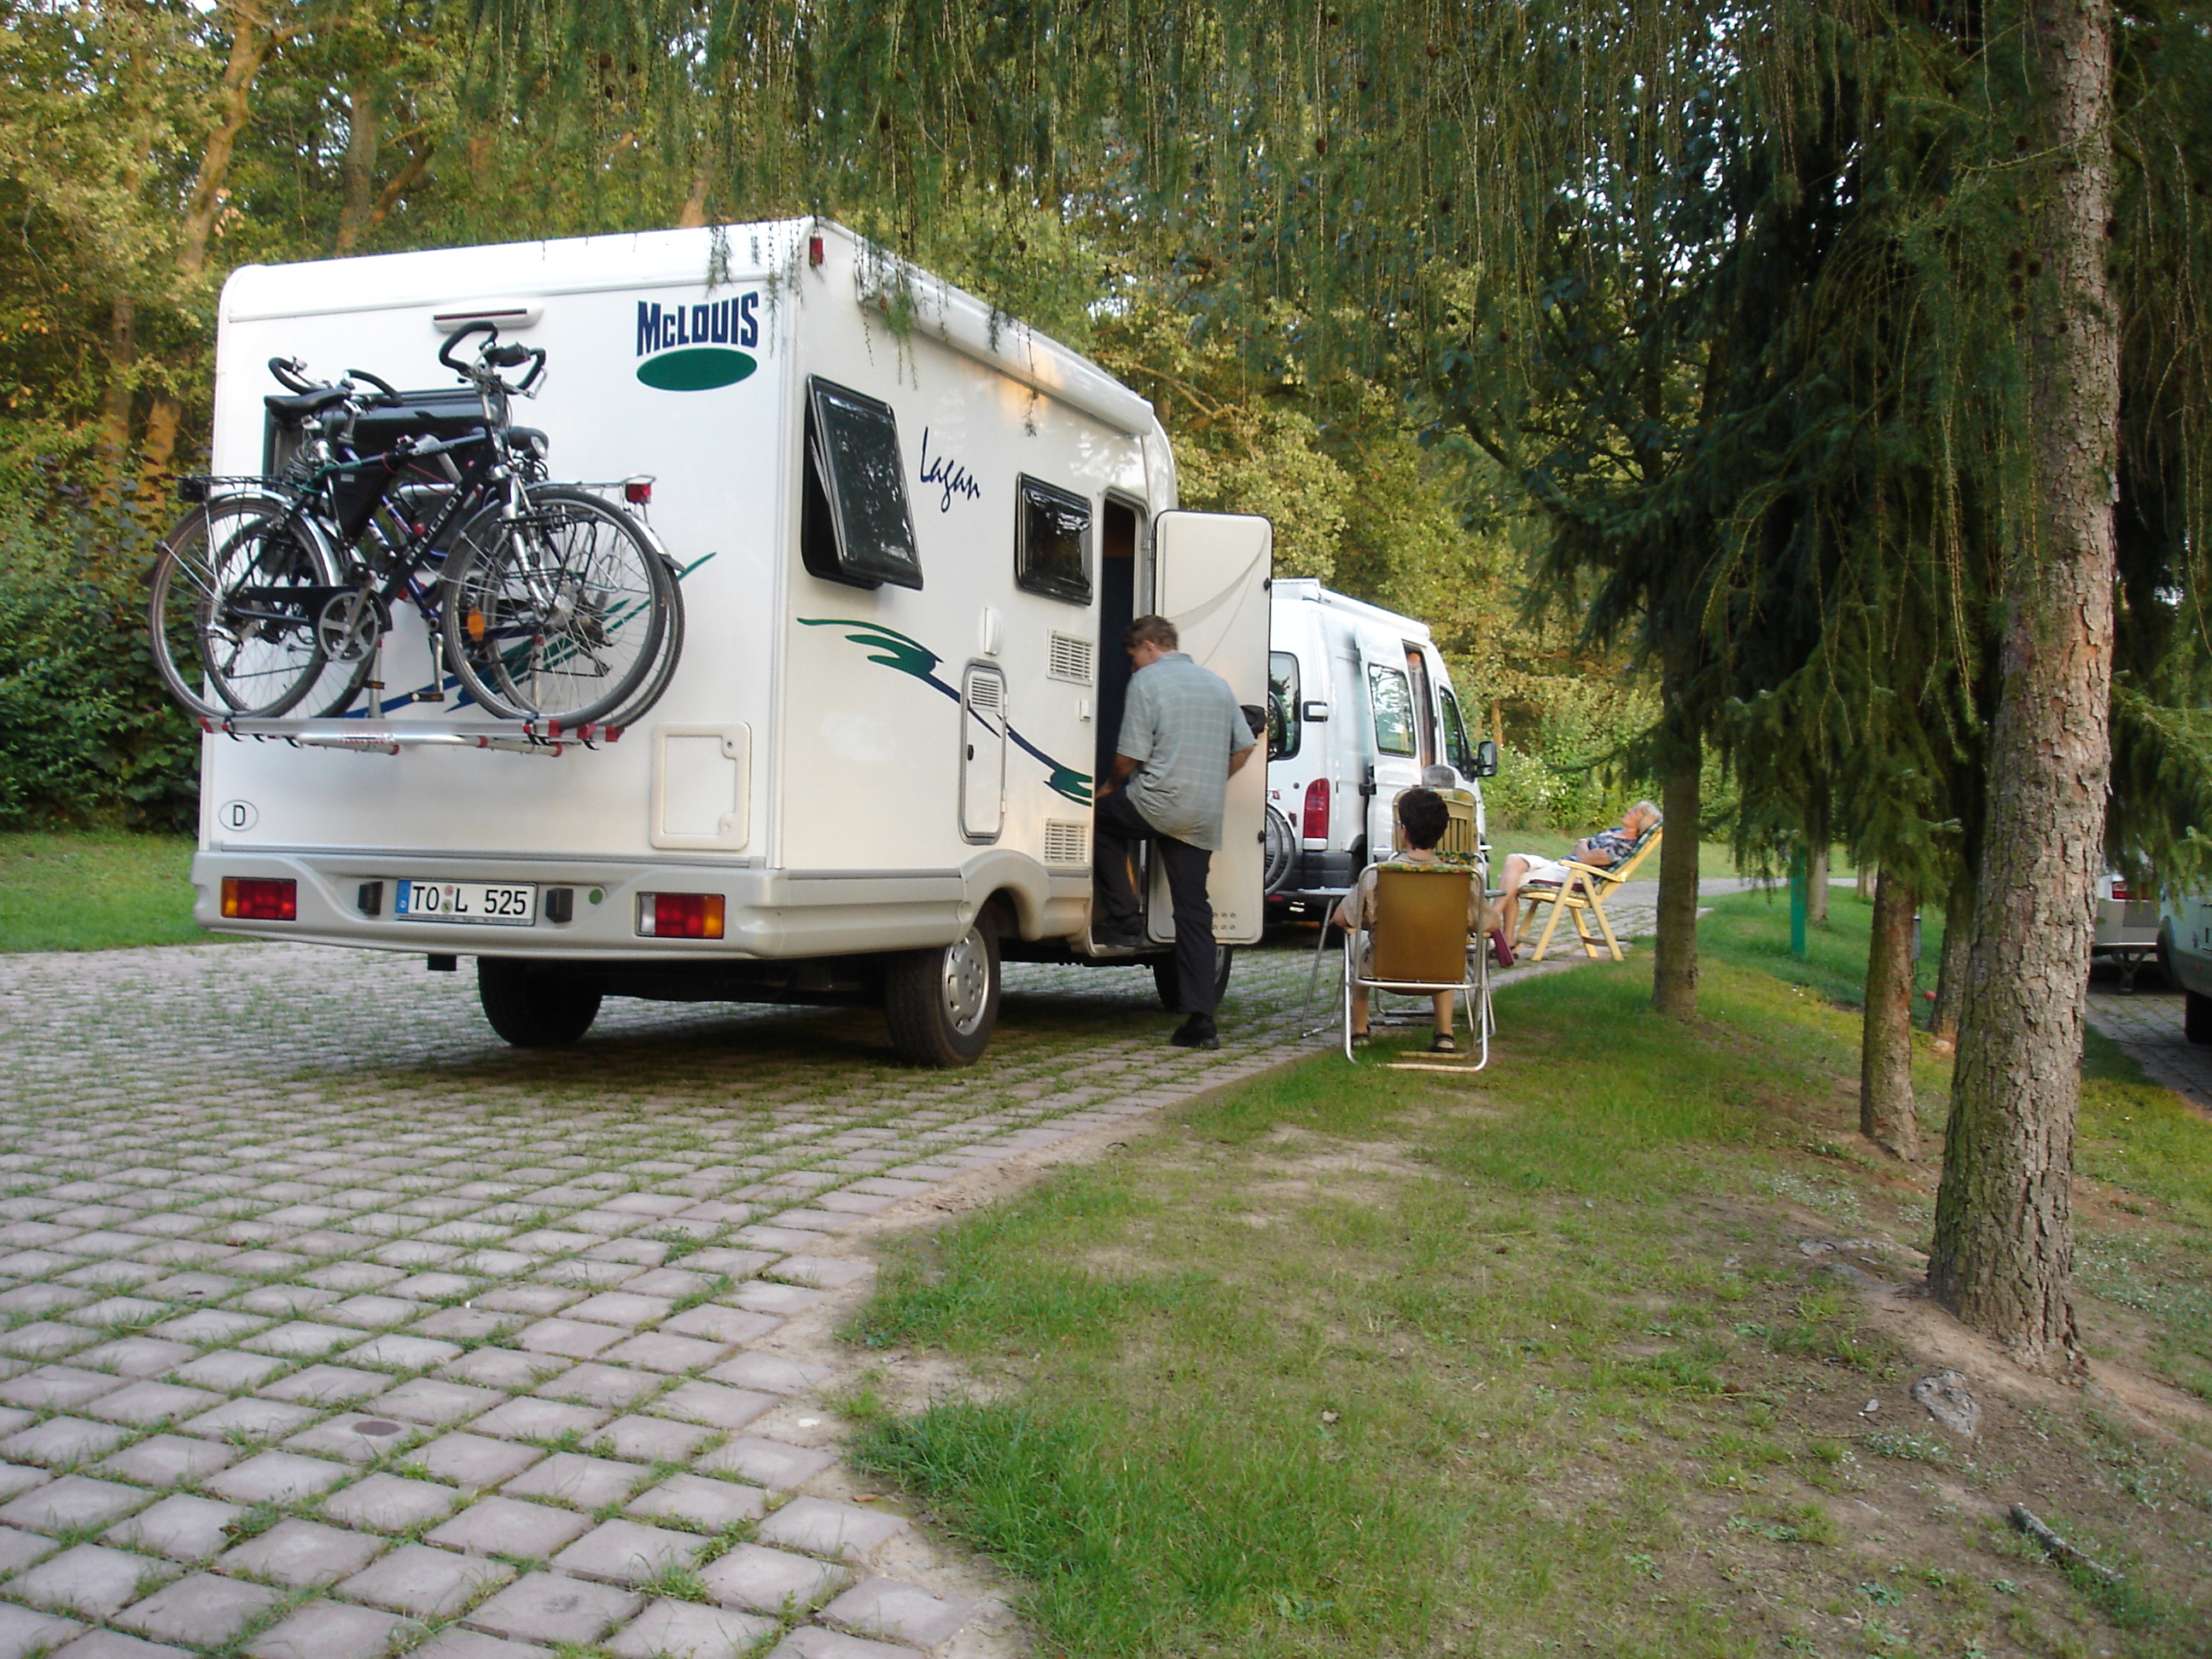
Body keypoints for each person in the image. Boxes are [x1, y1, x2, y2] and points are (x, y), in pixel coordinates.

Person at [1093, 614, 1257, 1050]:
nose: (1132, 667)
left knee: (1098, 821)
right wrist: (1211, 781)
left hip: (1155, 803)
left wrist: (1109, 786)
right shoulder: (1217, 685)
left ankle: (1126, 919)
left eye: (1132, 657)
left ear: (1149, 646)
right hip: (1201, 813)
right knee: (1193, 912)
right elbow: (1245, 747)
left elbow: (1129, 754)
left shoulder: (1146, 683)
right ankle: (1201, 1020)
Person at [1333, 788, 1498, 1053]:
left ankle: (1360, 1030)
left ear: (1404, 831)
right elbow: (1490, 924)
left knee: (1357, 948)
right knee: (1442, 944)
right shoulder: (1461, 878)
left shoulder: (1378, 874)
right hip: (1442, 974)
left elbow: (1342, 918)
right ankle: (1445, 1033)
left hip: (1383, 970)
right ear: (1441, 833)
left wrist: (1379, 922)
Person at [1495, 800, 1662, 948]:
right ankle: (1503, 932)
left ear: (1641, 822)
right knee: (1513, 863)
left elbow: (1585, 858)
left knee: (1509, 876)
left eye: (1633, 812)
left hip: (1578, 876)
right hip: (1562, 867)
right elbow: (1580, 850)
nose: (1628, 811)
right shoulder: (1614, 831)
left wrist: (1584, 844)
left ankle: (1494, 922)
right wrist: (1585, 846)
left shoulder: (1625, 846)